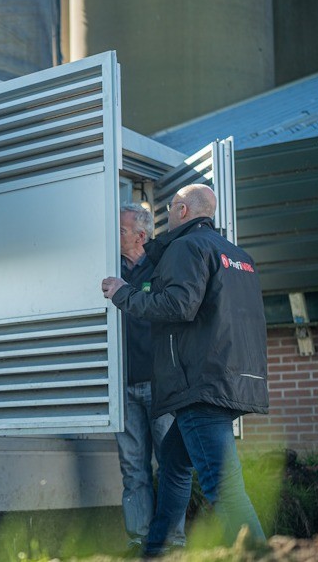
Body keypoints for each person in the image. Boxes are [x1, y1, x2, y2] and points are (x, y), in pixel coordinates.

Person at [101, 184, 269, 556]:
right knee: (174, 467)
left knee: (223, 486)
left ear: (180, 210)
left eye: (170, 209)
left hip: (200, 384)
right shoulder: (236, 255)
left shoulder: (187, 247)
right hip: (230, 379)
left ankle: (260, 553)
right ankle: (156, 552)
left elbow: (178, 305)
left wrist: (122, 293)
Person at [114, 204, 186, 553]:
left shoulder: (161, 267)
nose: (116, 236)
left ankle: (173, 542)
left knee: (169, 464)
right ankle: (140, 540)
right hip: (120, 386)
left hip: (159, 384)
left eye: (122, 230)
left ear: (140, 236)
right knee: (132, 467)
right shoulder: (107, 268)